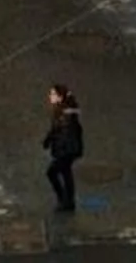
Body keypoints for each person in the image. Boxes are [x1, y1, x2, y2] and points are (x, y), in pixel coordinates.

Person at [42, 84, 84, 213]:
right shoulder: (62, 110)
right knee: (66, 173)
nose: (50, 97)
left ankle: (64, 199)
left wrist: (53, 144)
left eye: (53, 94)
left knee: (52, 172)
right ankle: (67, 201)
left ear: (60, 97)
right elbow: (56, 129)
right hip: (69, 149)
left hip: (67, 150)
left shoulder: (65, 114)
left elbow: (63, 132)